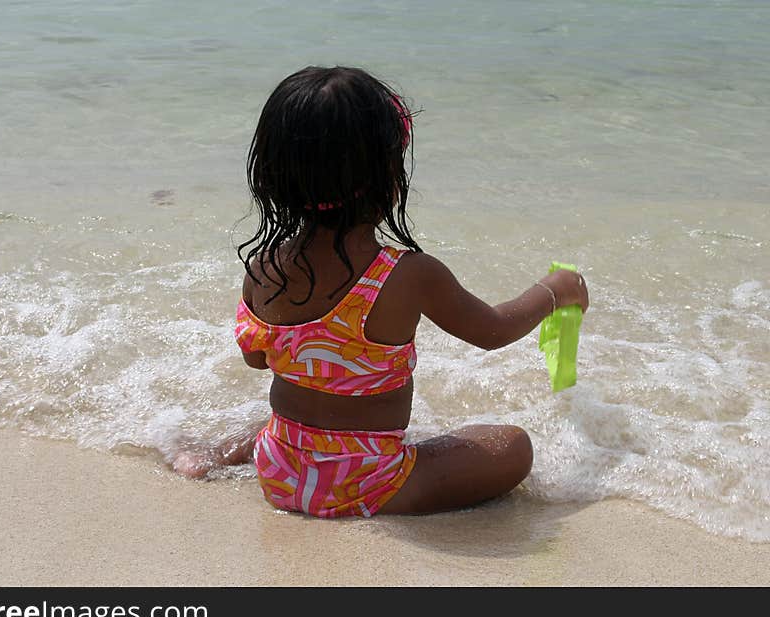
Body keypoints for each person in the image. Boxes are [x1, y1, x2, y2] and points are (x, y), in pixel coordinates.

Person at [174, 66, 589, 517]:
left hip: (279, 474)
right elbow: (491, 330)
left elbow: (257, 359)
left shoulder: (264, 268)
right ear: (388, 177)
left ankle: (215, 454)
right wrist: (553, 290)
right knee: (513, 445)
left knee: (291, 419)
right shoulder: (406, 275)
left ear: (275, 178)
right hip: (373, 483)